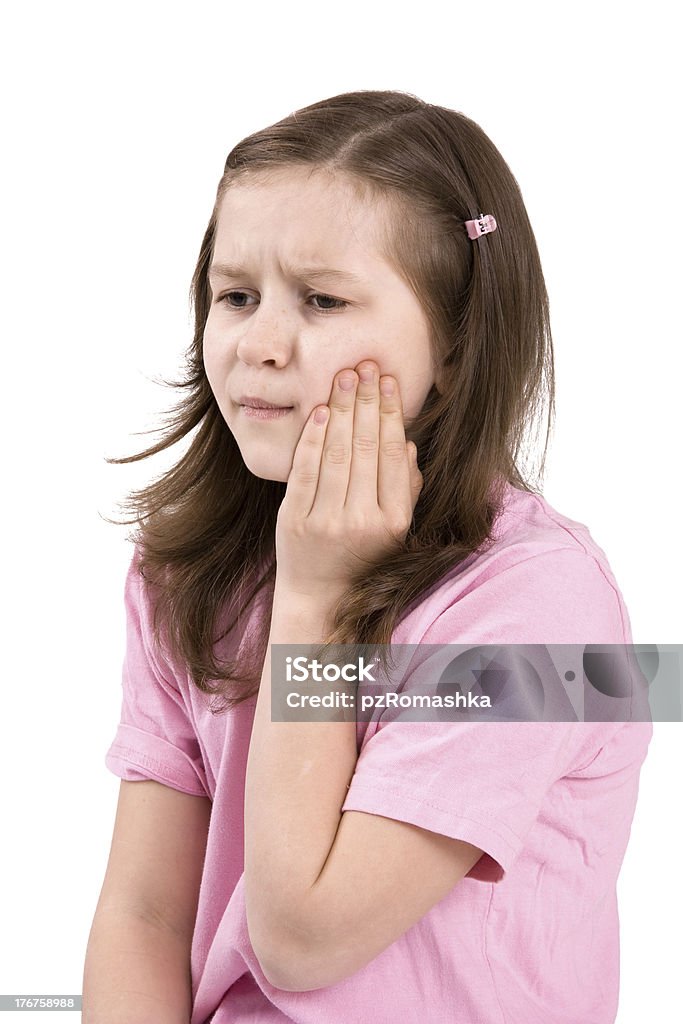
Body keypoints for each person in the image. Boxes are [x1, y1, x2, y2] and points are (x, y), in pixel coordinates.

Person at [82, 90, 652, 1024]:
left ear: (459, 347)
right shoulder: (184, 565)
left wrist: (314, 601)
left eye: (321, 299)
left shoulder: (545, 604)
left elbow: (304, 941)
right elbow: (145, 913)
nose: (258, 344)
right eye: (235, 296)